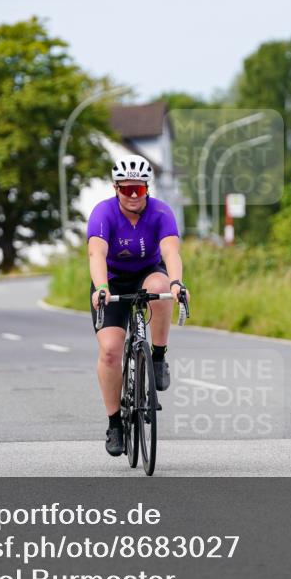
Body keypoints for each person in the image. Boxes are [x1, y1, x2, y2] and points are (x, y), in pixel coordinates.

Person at [87, 154, 189, 457]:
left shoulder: (161, 212)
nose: (133, 195)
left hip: (147, 273)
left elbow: (171, 252)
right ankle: (115, 424)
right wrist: (101, 288)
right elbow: (96, 254)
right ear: (116, 188)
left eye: (139, 189)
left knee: (161, 288)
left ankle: (157, 356)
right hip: (112, 281)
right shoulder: (103, 213)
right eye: (127, 189)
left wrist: (177, 282)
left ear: (147, 189)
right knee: (110, 350)